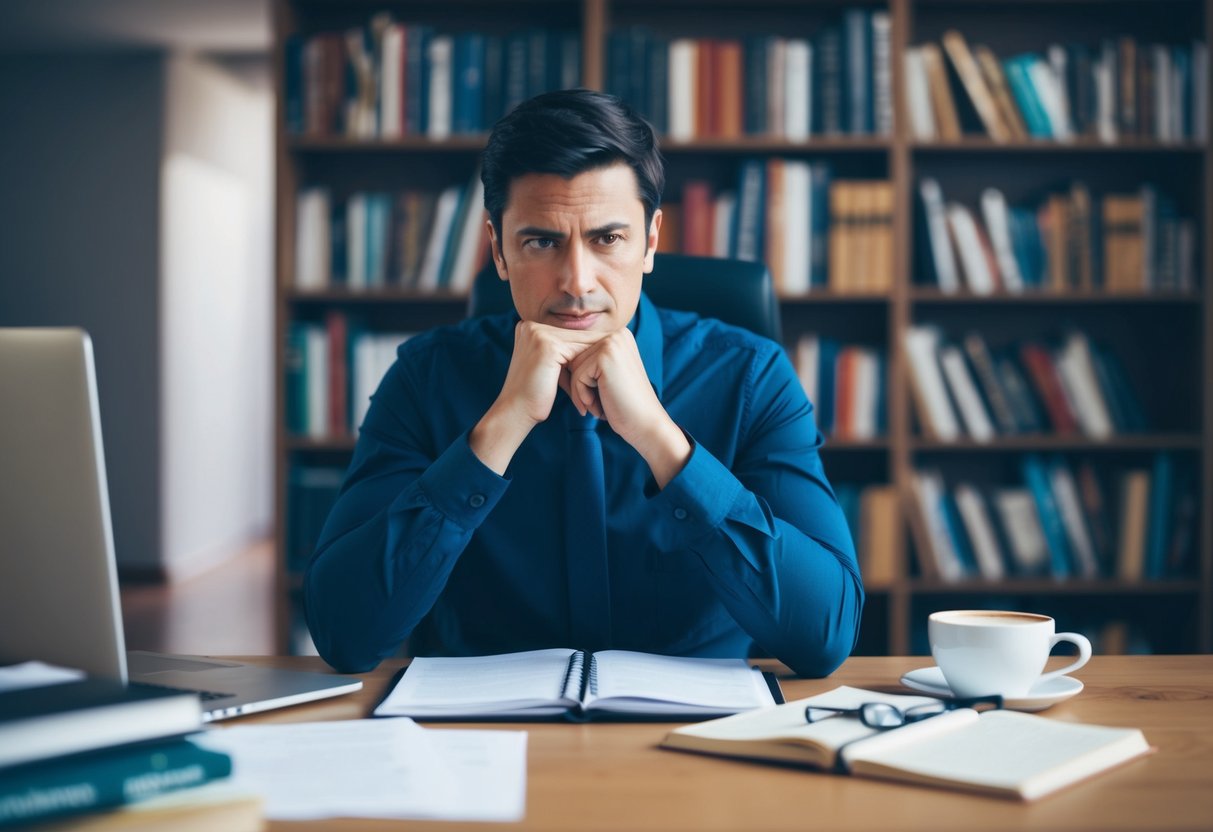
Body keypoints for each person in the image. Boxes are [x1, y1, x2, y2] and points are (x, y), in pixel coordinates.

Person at [304, 89, 863, 677]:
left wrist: (659, 438)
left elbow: (824, 636)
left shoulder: (752, 376)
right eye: (541, 241)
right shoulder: (425, 378)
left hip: (693, 739)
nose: (576, 282)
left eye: (607, 238)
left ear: (649, 242)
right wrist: (499, 428)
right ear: (498, 250)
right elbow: (346, 634)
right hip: (480, 736)